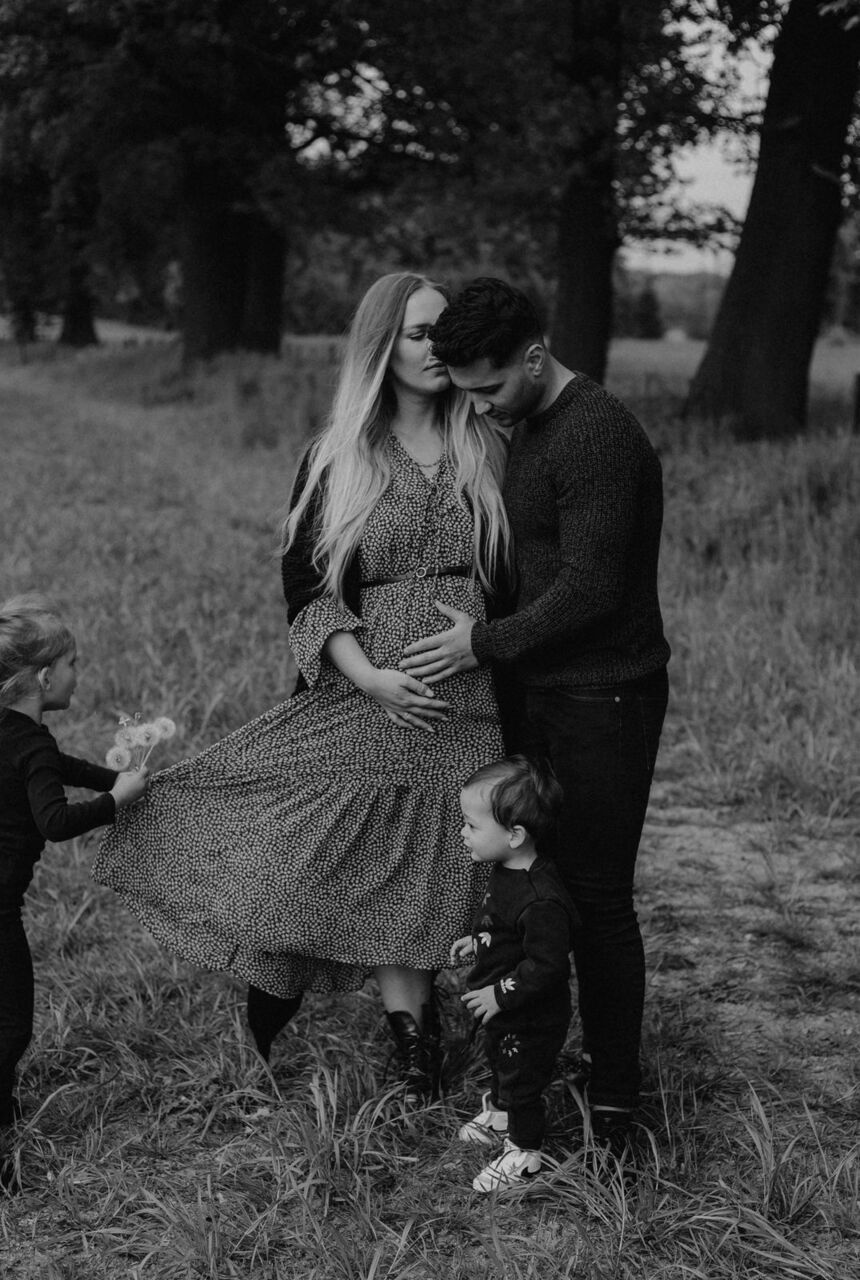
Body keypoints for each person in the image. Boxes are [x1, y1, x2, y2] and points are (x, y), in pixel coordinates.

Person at [93, 272, 512, 1097]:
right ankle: (274, 991)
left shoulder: (493, 445)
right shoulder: (337, 458)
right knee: (304, 861)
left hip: (469, 698)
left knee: (429, 866)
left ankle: (414, 1041)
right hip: (363, 694)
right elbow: (309, 587)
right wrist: (371, 679)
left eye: (446, 332)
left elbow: (524, 577)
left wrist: (486, 644)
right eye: (420, 334)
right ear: (382, 347)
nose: (438, 349)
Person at [401, 277, 670, 1153]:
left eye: (488, 387)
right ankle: (533, 1075)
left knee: (598, 898)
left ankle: (617, 1105)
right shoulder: (526, 423)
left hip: (606, 696)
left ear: (533, 355)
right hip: (544, 692)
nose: (478, 405)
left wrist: (482, 643)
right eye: (465, 391)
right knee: (540, 887)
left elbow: (593, 587)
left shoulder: (595, 433)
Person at [0, 595, 148, 1193]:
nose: (77, 675)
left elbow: (63, 766)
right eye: (72, 664)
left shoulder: (15, 734)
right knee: (11, 1026)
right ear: (43, 678)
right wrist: (116, 802)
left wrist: (117, 778)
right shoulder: (30, 745)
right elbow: (56, 820)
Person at [450, 755, 575, 1193]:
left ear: (515, 835)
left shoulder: (541, 900)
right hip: (506, 1011)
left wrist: (499, 995)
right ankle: (501, 1115)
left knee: (522, 1080)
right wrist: (480, 941)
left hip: (531, 1015)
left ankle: (524, 1155)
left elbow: (547, 964)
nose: (463, 832)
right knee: (501, 1062)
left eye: (472, 825)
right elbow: (504, 927)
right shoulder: (506, 871)